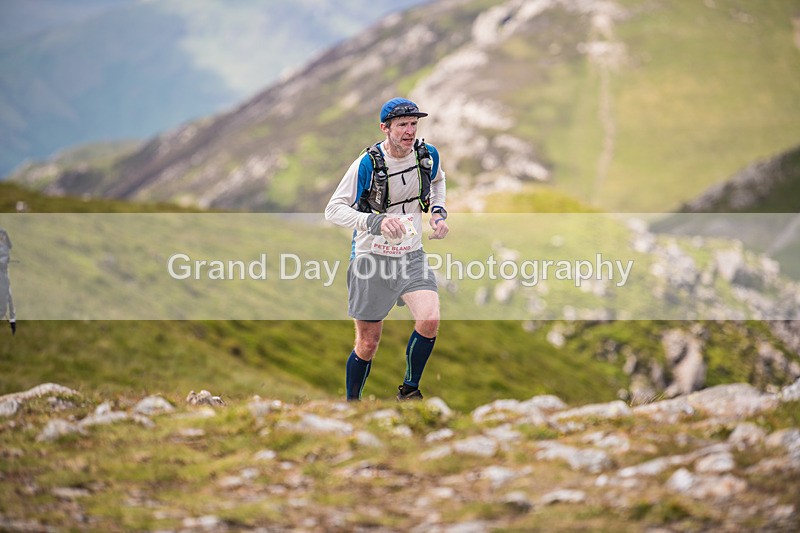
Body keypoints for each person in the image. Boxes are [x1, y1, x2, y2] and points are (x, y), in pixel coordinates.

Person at [325, 97, 449, 401]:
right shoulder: (367, 163)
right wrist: (374, 222)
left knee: (430, 319)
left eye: (413, 124)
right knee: (368, 344)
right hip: (371, 259)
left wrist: (437, 213)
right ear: (385, 128)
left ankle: (409, 391)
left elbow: (438, 182)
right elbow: (333, 210)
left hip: (411, 254)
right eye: (402, 125)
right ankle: (352, 406)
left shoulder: (427, 155)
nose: (409, 131)